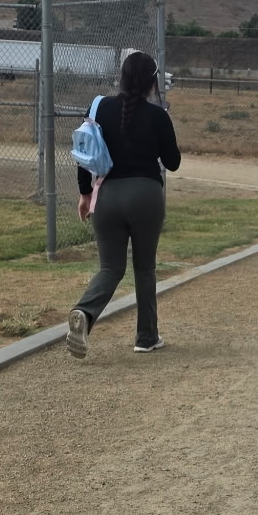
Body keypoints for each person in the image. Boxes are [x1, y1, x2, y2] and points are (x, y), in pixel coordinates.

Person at [67, 51, 181, 359]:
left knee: (110, 267)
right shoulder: (158, 115)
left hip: (107, 195)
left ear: (122, 77)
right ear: (151, 82)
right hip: (146, 195)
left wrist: (85, 194)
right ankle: (146, 337)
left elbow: (84, 152)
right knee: (144, 268)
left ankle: (84, 312)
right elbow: (173, 162)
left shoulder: (99, 107)